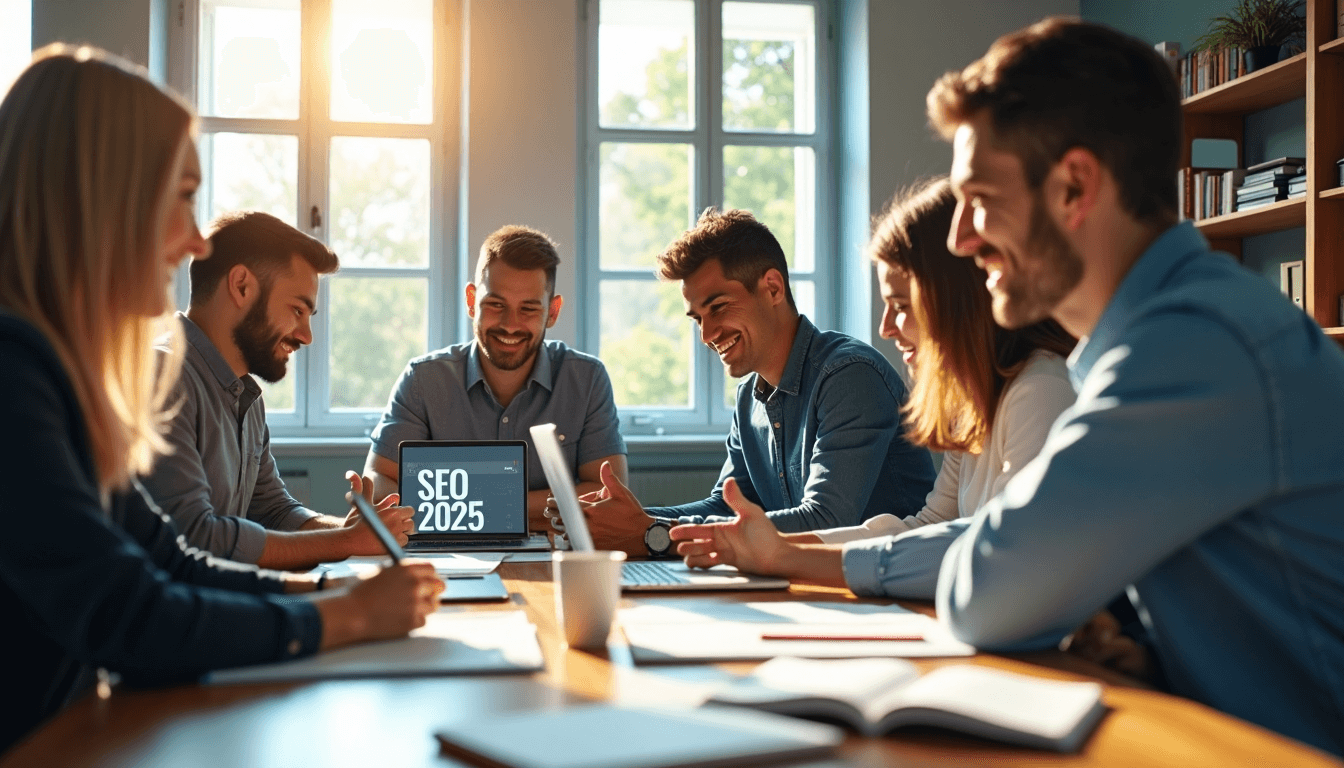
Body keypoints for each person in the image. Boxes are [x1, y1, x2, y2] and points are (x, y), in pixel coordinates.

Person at [0, 46, 442, 755]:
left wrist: (328, 597)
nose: (195, 238)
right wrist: (344, 617)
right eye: (180, 197)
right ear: (101, 195)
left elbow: (168, 563)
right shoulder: (13, 372)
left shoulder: (57, 375)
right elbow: (129, 614)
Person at [927, 18, 1340, 753]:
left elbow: (981, 597)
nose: (961, 237)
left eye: (980, 197)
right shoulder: (1171, 331)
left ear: (1075, 187)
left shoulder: (1194, 343)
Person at [670, 179, 1076, 598]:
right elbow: (928, 526)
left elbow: (1000, 555)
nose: (885, 327)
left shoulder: (1039, 391)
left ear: (955, 298)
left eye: (900, 306)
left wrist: (786, 557)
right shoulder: (971, 407)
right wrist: (775, 549)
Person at [579, 208, 936, 557]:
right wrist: (632, 521)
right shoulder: (750, 398)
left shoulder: (849, 376)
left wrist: (650, 533)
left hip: (883, 596)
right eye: (697, 318)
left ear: (773, 288)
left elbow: (825, 520)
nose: (706, 334)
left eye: (717, 307)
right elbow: (725, 505)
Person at [141, 211, 414, 569]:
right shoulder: (163, 377)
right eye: (297, 310)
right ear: (241, 286)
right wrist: (344, 541)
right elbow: (193, 537)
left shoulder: (245, 397)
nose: (306, 336)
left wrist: (354, 531)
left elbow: (272, 511)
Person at [364, 225, 627, 531]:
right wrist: (539, 507)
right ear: (472, 300)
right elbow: (378, 483)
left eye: (528, 308)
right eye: (495, 305)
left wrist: (463, 504)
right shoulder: (424, 379)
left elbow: (609, 496)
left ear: (552, 312)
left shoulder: (586, 379)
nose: (510, 325)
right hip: (447, 562)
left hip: (553, 560)